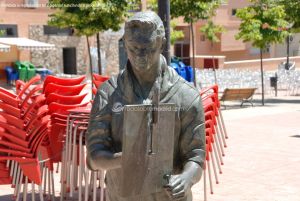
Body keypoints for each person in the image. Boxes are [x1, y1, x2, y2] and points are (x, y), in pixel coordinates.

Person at [87, 11, 206, 201]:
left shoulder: (186, 96)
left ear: (162, 43)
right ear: (125, 43)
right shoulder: (108, 94)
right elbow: (94, 157)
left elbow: (196, 156)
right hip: (122, 196)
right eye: (133, 48)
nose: (140, 56)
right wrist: (126, 159)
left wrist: (185, 179)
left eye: (148, 48)